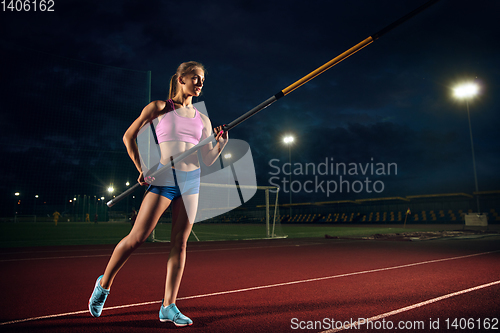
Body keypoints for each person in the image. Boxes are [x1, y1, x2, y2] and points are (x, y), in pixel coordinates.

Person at [88, 61, 228, 326]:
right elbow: (128, 137)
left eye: (202, 81)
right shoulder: (160, 108)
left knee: (180, 243)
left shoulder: (204, 120)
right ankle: (103, 285)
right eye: (195, 78)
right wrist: (141, 168)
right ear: (180, 78)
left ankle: (168, 305)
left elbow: (207, 160)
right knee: (138, 237)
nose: (200, 83)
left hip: (192, 181)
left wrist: (220, 145)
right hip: (164, 179)